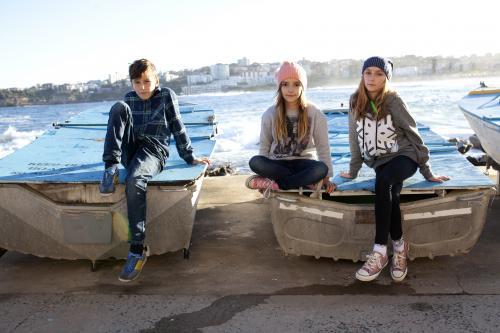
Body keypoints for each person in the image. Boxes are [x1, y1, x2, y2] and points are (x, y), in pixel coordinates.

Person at [99, 58, 210, 282]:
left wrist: (190, 157)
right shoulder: (129, 98)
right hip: (131, 150)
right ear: (131, 83)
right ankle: (110, 167)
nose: (142, 87)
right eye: (137, 82)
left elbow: (178, 127)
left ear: (156, 80)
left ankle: (137, 249)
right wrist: (116, 157)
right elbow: (119, 130)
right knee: (118, 108)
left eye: (147, 81)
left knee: (135, 179)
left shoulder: (166, 95)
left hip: (153, 151)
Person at [340, 56, 449, 282]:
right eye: (368, 72)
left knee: (385, 182)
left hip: (404, 156)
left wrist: (427, 171)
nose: (372, 77)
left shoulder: (394, 101)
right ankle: (399, 247)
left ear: (386, 77)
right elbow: (354, 137)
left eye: (379, 73)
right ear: (362, 74)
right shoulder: (354, 101)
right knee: (392, 193)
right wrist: (353, 170)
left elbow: (414, 135)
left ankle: (379, 251)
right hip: (379, 161)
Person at [246, 61, 335, 196]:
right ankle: (304, 181)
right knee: (255, 162)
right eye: (285, 84)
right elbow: (264, 147)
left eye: (296, 84)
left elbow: (323, 147)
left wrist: (327, 178)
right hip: (277, 164)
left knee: (321, 168)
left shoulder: (315, 113)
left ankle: (277, 184)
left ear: (303, 87)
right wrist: (263, 171)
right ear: (279, 87)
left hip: (305, 163)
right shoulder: (270, 114)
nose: (290, 89)